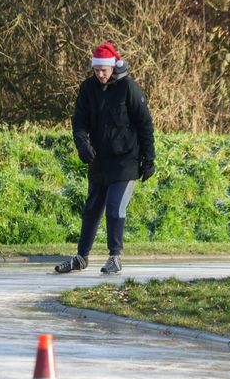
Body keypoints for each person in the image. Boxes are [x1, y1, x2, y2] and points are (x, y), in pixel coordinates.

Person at [55, 42, 155, 276]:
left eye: (104, 70)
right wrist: (82, 143)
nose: (100, 74)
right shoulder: (88, 88)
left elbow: (145, 124)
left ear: (112, 67)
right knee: (91, 209)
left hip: (126, 161)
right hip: (99, 161)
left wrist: (148, 159)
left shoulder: (128, 88)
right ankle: (81, 257)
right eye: (97, 70)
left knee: (114, 207)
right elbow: (79, 121)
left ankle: (115, 257)